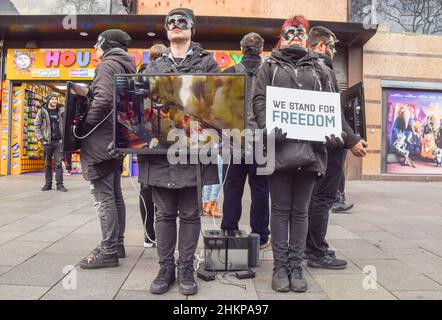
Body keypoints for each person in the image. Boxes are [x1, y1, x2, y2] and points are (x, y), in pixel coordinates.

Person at [138, 7, 220, 296]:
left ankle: (186, 266)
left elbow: (219, 107)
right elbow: (139, 108)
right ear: (166, 29)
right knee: (163, 213)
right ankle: (165, 267)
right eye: (170, 22)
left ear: (191, 28)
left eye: (181, 21)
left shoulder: (208, 65)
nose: (175, 25)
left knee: (189, 213)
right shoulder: (153, 67)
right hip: (160, 151)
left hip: (195, 151)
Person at [253, 15, 334, 293]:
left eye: (301, 32)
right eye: (290, 32)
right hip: (279, 151)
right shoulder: (269, 66)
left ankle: (296, 265)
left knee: (300, 212)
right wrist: (266, 129)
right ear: (281, 36)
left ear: (308, 37)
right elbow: (258, 99)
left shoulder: (320, 69)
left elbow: (330, 104)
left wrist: (336, 133)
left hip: (311, 152)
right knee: (280, 209)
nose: (295, 36)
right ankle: (279, 266)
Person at [305, 26, 368, 269]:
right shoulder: (323, 69)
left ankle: (307, 247)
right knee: (322, 198)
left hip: (314, 145)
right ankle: (317, 251)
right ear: (320, 45)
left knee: (312, 198)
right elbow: (332, 113)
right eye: (331, 46)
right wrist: (352, 140)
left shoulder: (306, 69)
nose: (333, 51)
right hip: (330, 147)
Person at [79, 29, 137, 269]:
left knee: (103, 198)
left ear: (107, 44)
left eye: (97, 43)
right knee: (115, 195)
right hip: (117, 140)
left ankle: (109, 250)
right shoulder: (127, 66)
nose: (95, 48)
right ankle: (118, 244)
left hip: (100, 142)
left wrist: (84, 126)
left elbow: (102, 100)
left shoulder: (107, 66)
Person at [221, 32, 270, 249]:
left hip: (234, 140)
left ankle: (229, 230)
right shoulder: (270, 74)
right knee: (260, 189)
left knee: (233, 187)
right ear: (261, 50)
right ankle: (260, 236)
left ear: (241, 50)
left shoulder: (228, 73)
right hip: (263, 141)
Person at [138, 43, 167, 249]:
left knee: (146, 186)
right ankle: (158, 230)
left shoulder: (140, 75)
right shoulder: (165, 76)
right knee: (160, 186)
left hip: (145, 138)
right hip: (163, 137)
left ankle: (149, 234)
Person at [35, 93, 67, 192]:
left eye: (56, 99)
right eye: (52, 99)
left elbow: (66, 124)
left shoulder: (61, 110)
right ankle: (48, 184)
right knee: (47, 164)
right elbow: (37, 126)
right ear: (48, 100)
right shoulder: (42, 111)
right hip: (47, 142)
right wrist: (42, 139)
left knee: (58, 164)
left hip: (59, 142)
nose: (54, 101)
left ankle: (60, 185)